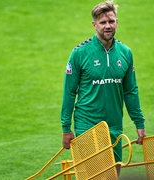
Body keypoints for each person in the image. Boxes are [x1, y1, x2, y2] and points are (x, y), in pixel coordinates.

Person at [60, 0, 146, 174]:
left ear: (117, 22)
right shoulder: (79, 53)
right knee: (95, 175)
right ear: (94, 25)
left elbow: (130, 91)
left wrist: (139, 122)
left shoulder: (125, 53)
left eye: (111, 21)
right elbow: (69, 92)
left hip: (114, 126)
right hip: (87, 125)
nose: (108, 26)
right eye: (103, 22)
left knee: (113, 174)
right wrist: (66, 128)